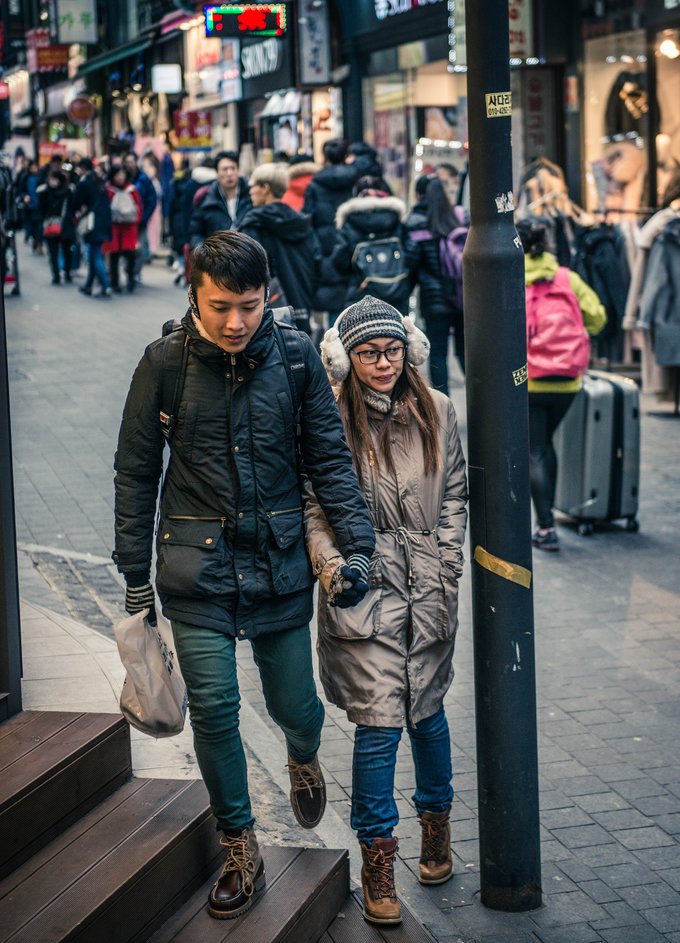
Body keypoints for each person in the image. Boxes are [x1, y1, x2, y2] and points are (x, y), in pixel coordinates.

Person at [112, 231, 375, 920]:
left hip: (280, 562)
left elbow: (330, 457)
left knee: (297, 705)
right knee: (218, 711)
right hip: (195, 572)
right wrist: (133, 575)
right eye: (220, 305)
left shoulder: (295, 358)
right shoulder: (163, 363)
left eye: (249, 306)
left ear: (269, 298)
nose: (235, 322)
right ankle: (239, 842)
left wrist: (359, 545)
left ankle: (303, 756)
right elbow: (136, 474)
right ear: (194, 294)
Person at [304, 295, 468, 926]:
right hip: (362, 587)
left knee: (427, 712)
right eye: (368, 353)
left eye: (392, 351)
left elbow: (454, 490)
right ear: (345, 359)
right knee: (378, 727)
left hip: (427, 587)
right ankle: (378, 857)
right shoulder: (330, 420)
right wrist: (331, 567)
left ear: (410, 351)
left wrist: (446, 563)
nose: (382, 364)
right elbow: (314, 506)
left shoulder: (439, 410)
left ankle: (436, 827)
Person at [517, 217, 607, 551]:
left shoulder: (510, 279)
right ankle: (548, 520)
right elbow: (598, 317)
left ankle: (546, 527)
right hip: (568, 381)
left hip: (530, 381)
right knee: (545, 445)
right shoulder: (568, 278)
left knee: (536, 449)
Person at [237, 162, 321, 326]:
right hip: (302, 304)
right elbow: (316, 262)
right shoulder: (301, 223)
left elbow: (248, 270)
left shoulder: (253, 225)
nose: (250, 191)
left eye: (253, 186)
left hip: (268, 310)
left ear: (265, 188)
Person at [405, 176, 468, 392]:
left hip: (434, 301)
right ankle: (483, 401)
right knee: (465, 352)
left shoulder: (417, 222)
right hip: (462, 296)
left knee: (438, 354)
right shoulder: (458, 217)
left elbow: (411, 262)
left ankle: (444, 406)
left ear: (418, 195)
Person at [331, 175, 410, 315]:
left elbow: (339, 260)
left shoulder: (349, 221)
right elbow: (410, 252)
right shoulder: (396, 218)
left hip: (360, 293)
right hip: (396, 292)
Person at [303, 139, 360, 323]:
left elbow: (307, 219)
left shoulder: (315, 185)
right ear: (346, 156)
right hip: (354, 246)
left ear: (325, 157)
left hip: (325, 248)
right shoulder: (355, 181)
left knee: (334, 311)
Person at [189, 150, 252, 248]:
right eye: (224, 169)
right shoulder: (205, 198)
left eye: (233, 168)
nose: (229, 173)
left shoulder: (252, 195)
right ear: (217, 173)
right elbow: (196, 233)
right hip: (217, 258)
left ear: (238, 171)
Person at [75, 159, 113, 298]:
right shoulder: (100, 182)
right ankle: (88, 285)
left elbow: (77, 201)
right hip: (103, 222)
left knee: (96, 255)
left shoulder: (86, 182)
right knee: (93, 255)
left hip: (92, 223)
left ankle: (106, 285)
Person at [103, 166, 143, 293]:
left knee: (130, 255)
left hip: (129, 228)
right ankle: (115, 282)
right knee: (114, 256)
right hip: (114, 228)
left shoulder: (132, 190)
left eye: (122, 174)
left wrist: (137, 220)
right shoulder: (109, 190)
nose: (120, 177)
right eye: (117, 175)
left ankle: (130, 279)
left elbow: (139, 207)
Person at [123, 151, 157, 281]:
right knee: (127, 249)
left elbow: (152, 199)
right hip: (124, 222)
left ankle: (135, 272)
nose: (130, 165)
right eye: (127, 162)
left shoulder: (144, 179)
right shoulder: (121, 178)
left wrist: (145, 216)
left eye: (132, 162)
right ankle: (129, 271)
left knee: (140, 249)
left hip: (140, 221)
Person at [37, 169, 76, 285]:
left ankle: (65, 273)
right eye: (51, 179)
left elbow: (73, 206)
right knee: (55, 252)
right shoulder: (44, 192)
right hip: (56, 224)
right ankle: (57, 274)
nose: (52, 181)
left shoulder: (67, 191)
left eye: (54, 179)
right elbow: (41, 209)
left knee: (66, 251)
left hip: (63, 224)